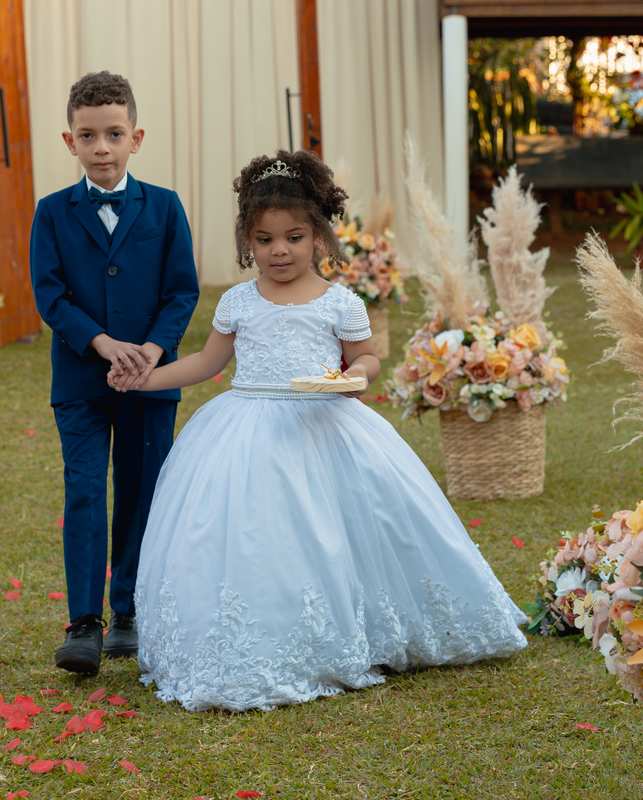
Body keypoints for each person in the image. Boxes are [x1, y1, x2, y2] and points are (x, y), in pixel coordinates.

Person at [112, 150, 527, 711]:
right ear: (247, 243)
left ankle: (367, 626)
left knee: (338, 526)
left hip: (324, 423)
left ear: (319, 239)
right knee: (252, 538)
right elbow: (209, 364)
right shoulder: (237, 301)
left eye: (293, 237)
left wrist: (354, 375)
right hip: (246, 427)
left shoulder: (339, 302)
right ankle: (256, 638)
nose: (278, 250)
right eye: (263, 240)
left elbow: (367, 358)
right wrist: (147, 379)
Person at [30, 71, 200, 674]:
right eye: (88, 135)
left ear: (136, 137)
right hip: (81, 380)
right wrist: (102, 344)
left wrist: (153, 350)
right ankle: (84, 623)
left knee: (142, 489)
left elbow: (182, 291)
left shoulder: (165, 206)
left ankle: (129, 609)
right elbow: (49, 296)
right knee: (85, 490)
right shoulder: (52, 213)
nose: (101, 147)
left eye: (114, 134)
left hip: (151, 380)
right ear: (69, 141)